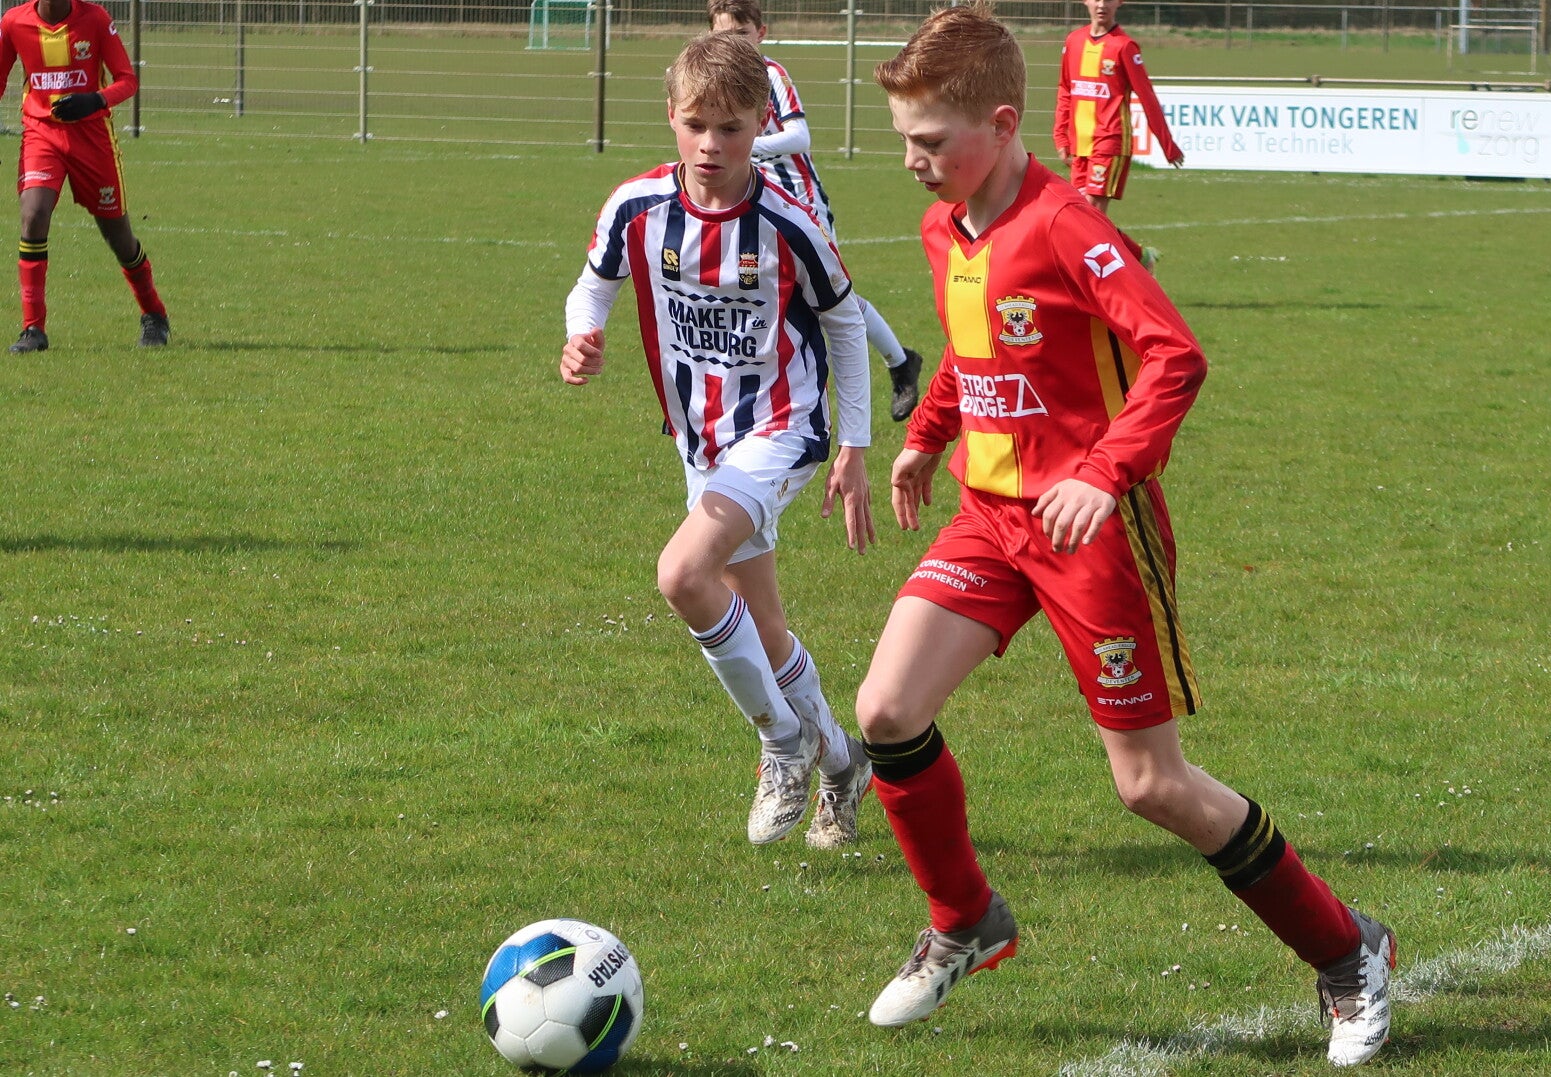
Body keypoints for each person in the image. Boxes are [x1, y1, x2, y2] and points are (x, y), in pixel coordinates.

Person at [854, 5, 1395, 1066]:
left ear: (1002, 125)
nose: (913, 160)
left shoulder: (1068, 226)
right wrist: (924, 438)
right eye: (905, 140)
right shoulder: (945, 227)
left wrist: (1104, 474)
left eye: (930, 140)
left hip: (1092, 532)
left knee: (1150, 785)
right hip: (991, 516)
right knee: (886, 710)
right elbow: (971, 347)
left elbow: (1175, 356)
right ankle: (965, 921)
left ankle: (1348, 950)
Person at [559, 30, 876, 849]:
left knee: (683, 572)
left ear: (761, 124)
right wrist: (580, 336)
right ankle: (844, 763)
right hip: (700, 439)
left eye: (731, 128)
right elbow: (591, 289)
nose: (711, 144)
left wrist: (854, 444)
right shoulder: (636, 206)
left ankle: (782, 743)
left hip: (780, 426)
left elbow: (845, 323)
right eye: (696, 123)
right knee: (762, 628)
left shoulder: (788, 222)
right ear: (670, 114)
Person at [707, 0, 926, 423]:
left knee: (832, 298)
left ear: (760, 34)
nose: (733, 44)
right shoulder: (718, 81)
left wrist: (746, 145)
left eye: (741, 34)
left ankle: (899, 363)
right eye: (723, 35)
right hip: (753, 202)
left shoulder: (771, 75)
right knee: (754, 290)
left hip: (800, 204)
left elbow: (800, 136)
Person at [0, 0, 167, 353]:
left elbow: (128, 80)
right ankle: (33, 329)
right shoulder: (14, 22)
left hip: (92, 140)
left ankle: (154, 314)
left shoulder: (95, 18)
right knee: (33, 214)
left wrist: (95, 100)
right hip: (41, 134)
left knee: (119, 237)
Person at [1054, 0, 1183, 271]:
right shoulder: (1074, 41)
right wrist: (1061, 136)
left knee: (1091, 211)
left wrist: (1167, 144)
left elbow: (1147, 96)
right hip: (1081, 143)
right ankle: (1140, 257)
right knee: (1080, 214)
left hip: (1110, 140)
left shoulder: (1124, 46)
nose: (1102, 4)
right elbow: (1066, 89)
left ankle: (1094, 278)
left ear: (1119, 3)